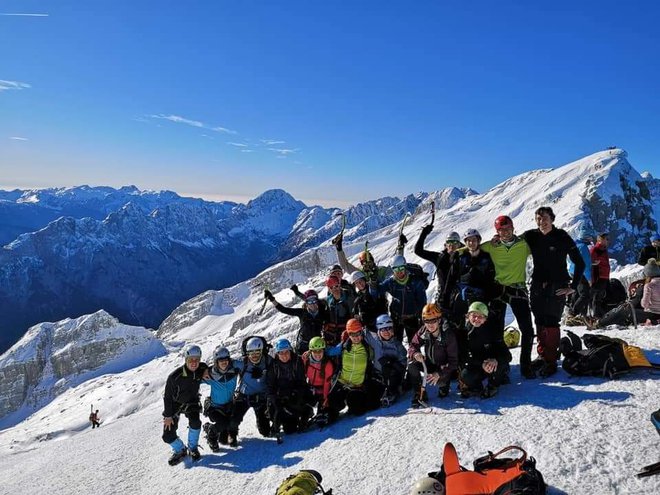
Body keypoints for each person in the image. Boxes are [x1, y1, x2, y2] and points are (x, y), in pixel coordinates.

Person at [522, 207, 585, 377]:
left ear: (552, 219)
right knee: (539, 320)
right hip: (537, 284)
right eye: (538, 219)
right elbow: (512, 242)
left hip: (557, 284)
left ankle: (550, 361)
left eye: (545, 219)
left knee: (551, 321)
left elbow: (580, 262)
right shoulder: (531, 236)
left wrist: (573, 286)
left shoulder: (562, 236)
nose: (541, 222)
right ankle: (544, 355)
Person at [480, 215, 536, 378]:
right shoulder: (491, 246)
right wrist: (451, 251)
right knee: (496, 332)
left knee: (527, 329)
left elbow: (542, 246)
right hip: (498, 291)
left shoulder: (524, 245)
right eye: (501, 230)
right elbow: (472, 249)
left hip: (518, 290)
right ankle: (501, 365)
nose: (504, 233)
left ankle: (526, 365)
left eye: (507, 229)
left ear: (513, 228)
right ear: (497, 231)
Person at [442, 228, 496, 364]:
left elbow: (490, 279)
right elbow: (451, 279)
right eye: (468, 241)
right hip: (462, 298)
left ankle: (482, 358)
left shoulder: (486, 257)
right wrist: (445, 298)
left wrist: (489, 299)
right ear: (465, 243)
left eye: (474, 240)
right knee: (460, 328)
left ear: (479, 241)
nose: (471, 243)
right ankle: (461, 360)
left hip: (479, 298)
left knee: (479, 327)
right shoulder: (460, 258)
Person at [162, 344, 209, 465]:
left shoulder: (200, 369)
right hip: (174, 405)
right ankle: (180, 449)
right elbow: (167, 397)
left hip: (191, 402)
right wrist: (168, 416)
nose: (194, 363)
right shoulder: (174, 377)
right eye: (190, 360)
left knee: (195, 422)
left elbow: (204, 366)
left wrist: (205, 370)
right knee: (167, 436)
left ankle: (192, 448)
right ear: (185, 360)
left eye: (196, 360)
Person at [326, 319, 383, 415]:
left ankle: (354, 400)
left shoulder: (367, 348)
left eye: (358, 333)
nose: (356, 337)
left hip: (357, 386)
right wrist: (310, 353)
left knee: (358, 411)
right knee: (333, 403)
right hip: (342, 383)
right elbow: (329, 351)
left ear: (362, 332)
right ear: (348, 334)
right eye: (352, 334)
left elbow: (379, 352)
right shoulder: (344, 346)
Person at [407, 303, 459, 408]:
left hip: (444, 367)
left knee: (440, 384)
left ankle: (445, 384)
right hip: (430, 363)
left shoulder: (448, 335)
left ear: (439, 320)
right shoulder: (424, 330)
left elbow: (454, 362)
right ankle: (419, 392)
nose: (430, 325)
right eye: (426, 321)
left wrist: (439, 373)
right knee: (412, 364)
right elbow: (413, 344)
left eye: (433, 321)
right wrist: (415, 353)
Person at [459, 302, 512, 399]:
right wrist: (481, 364)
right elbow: (463, 356)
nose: (477, 319)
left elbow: (507, 355)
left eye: (481, 317)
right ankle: (476, 386)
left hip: (493, 363)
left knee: (499, 367)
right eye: (474, 315)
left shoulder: (493, 330)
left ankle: (494, 385)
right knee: (465, 375)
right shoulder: (464, 332)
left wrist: (495, 360)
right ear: (468, 316)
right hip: (479, 364)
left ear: (485, 318)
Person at [371, 255, 427, 344]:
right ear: (393, 270)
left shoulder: (415, 282)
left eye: (401, 268)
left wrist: (422, 318)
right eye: (396, 269)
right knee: (395, 343)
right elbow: (376, 293)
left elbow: (422, 302)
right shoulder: (391, 282)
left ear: (405, 267)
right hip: (396, 318)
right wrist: (373, 283)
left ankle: (414, 357)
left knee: (414, 344)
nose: (399, 272)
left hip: (412, 318)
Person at [589, 258, 660, 328]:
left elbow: (644, 304)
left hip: (651, 314)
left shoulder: (649, 286)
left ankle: (599, 323)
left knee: (623, 310)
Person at [267, 338, 315, 437]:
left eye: (286, 352)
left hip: (295, 394)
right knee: (289, 429)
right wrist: (275, 401)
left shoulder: (297, 362)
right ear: (277, 353)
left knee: (297, 404)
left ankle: (306, 411)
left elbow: (302, 382)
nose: (284, 356)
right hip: (281, 397)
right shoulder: (273, 366)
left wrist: (296, 393)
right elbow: (270, 386)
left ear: (290, 351)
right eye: (281, 353)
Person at [228, 337, 272, 444]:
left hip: (261, 398)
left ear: (262, 351)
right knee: (235, 418)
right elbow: (224, 364)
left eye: (257, 353)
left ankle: (263, 423)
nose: (254, 356)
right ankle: (232, 434)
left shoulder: (268, 361)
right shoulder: (242, 363)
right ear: (247, 353)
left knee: (265, 432)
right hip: (244, 397)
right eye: (251, 353)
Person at [265, 288, 328, 353]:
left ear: (317, 301)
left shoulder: (322, 313)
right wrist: (272, 299)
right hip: (303, 345)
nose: (312, 304)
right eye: (309, 301)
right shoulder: (302, 313)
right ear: (306, 303)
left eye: (314, 300)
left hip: (317, 344)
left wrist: (297, 292)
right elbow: (284, 309)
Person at [201, 346, 240, 452]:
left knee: (231, 427)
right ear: (216, 362)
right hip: (214, 408)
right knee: (223, 424)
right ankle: (211, 435)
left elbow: (247, 364)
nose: (224, 362)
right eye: (220, 360)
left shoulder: (234, 370)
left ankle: (213, 428)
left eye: (226, 360)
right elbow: (194, 379)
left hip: (229, 406)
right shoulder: (211, 374)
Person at [363, 314, 407, 406]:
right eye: (383, 329)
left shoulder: (398, 346)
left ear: (393, 330)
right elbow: (359, 333)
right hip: (378, 376)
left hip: (392, 377)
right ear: (378, 331)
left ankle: (392, 392)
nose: (386, 332)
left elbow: (402, 367)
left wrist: (391, 362)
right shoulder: (375, 340)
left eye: (388, 328)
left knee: (387, 367)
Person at [414, 225, 462, 304]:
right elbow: (418, 250)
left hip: (458, 297)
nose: (451, 245)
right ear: (445, 245)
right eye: (449, 242)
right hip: (442, 297)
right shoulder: (439, 257)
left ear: (459, 244)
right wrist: (424, 233)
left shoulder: (464, 258)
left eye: (455, 242)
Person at [301, 336, 340, 426]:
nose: (318, 354)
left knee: (322, 420)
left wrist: (326, 399)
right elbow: (301, 375)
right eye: (315, 351)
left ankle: (325, 412)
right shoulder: (306, 361)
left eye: (320, 351)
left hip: (323, 391)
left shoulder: (327, 364)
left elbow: (327, 383)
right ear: (310, 351)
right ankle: (307, 412)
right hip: (311, 389)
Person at [567, 228, 593, 321]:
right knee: (585, 295)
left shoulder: (575, 245)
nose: (591, 239)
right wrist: (589, 278)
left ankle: (571, 312)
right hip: (581, 273)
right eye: (590, 237)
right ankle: (574, 313)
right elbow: (584, 264)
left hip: (573, 272)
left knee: (577, 293)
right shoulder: (583, 247)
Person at [324, 275, 355, 346]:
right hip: (333, 333)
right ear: (329, 289)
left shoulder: (348, 296)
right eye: (331, 287)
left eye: (336, 286)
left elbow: (353, 314)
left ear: (339, 285)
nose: (335, 289)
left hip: (347, 331)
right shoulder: (329, 300)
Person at [589, 233, 610, 318]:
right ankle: (595, 316)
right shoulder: (595, 250)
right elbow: (590, 262)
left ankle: (599, 314)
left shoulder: (604, 250)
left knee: (600, 297)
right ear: (600, 240)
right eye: (606, 239)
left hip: (604, 276)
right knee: (596, 297)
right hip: (598, 276)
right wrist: (594, 263)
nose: (608, 241)